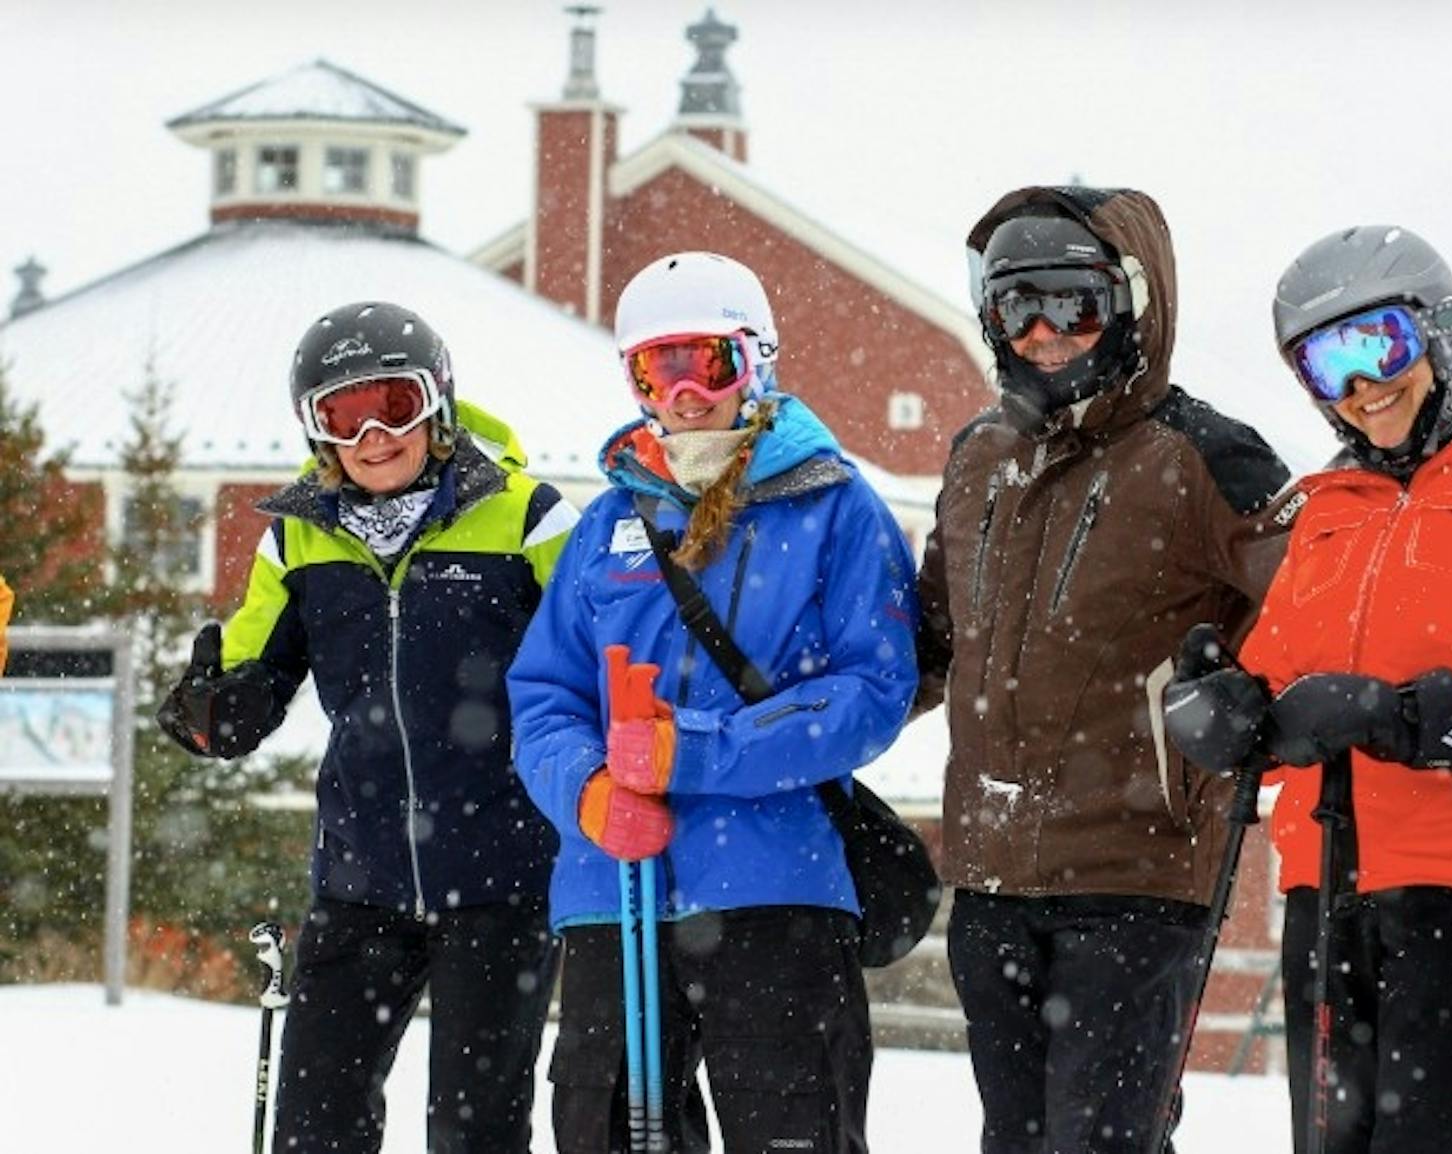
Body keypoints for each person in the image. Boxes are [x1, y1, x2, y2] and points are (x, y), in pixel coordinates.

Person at [1164, 225, 1452, 1153]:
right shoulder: (1329, 506)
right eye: (1327, 365)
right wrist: (1232, 709)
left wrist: (1430, 715)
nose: (1362, 386)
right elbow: (1282, 676)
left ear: (1439, 330)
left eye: (1379, 345)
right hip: (1330, 882)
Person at [506, 250, 918, 1154]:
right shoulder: (607, 526)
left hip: (776, 889)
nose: (686, 391)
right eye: (659, 368)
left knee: (791, 1128)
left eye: (709, 362)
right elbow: (542, 695)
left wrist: (696, 752)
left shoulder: (836, 507)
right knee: (605, 1132)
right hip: (611, 894)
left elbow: (873, 692)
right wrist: (586, 792)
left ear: (756, 359)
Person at [917, 185, 1293, 1153]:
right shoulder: (978, 457)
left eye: (1074, 305)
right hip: (993, 870)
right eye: (1018, 306)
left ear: (1129, 305)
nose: (1045, 332)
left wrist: (1249, 701)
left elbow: (1311, 617)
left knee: (1103, 1139)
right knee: (1018, 1137)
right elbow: (928, 637)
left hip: (1138, 873)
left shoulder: (1206, 456)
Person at [156, 302, 574, 1153]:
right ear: (318, 432)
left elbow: (593, 660)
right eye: (343, 415)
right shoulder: (299, 541)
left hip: (502, 877)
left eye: (395, 404)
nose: (375, 435)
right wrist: (216, 710)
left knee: (475, 1130)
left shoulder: (529, 519)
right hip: (361, 877)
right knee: (316, 1126)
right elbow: (253, 669)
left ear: (439, 404)